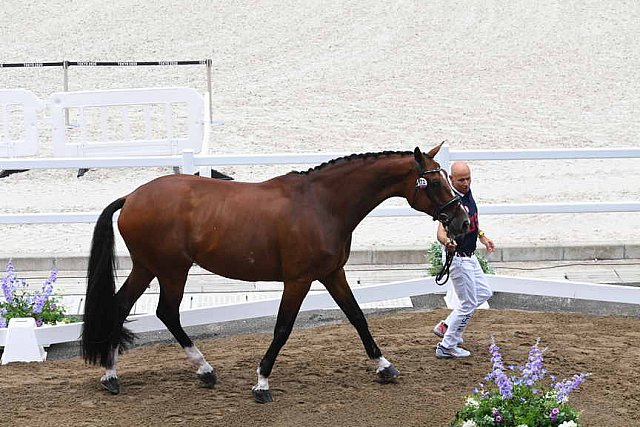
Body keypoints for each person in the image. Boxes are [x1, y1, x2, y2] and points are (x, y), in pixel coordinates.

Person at [433, 161, 496, 359]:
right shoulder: (450, 200)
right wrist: (447, 242)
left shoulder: (467, 194)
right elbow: (440, 231)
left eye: (468, 178)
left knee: (484, 292)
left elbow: (472, 220)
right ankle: (447, 345)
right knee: (467, 303)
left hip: (470, 255)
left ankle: (446, 326)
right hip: (457, 257)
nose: (466, 183)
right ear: (451, 179)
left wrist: (482, 236)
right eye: (461, 180)